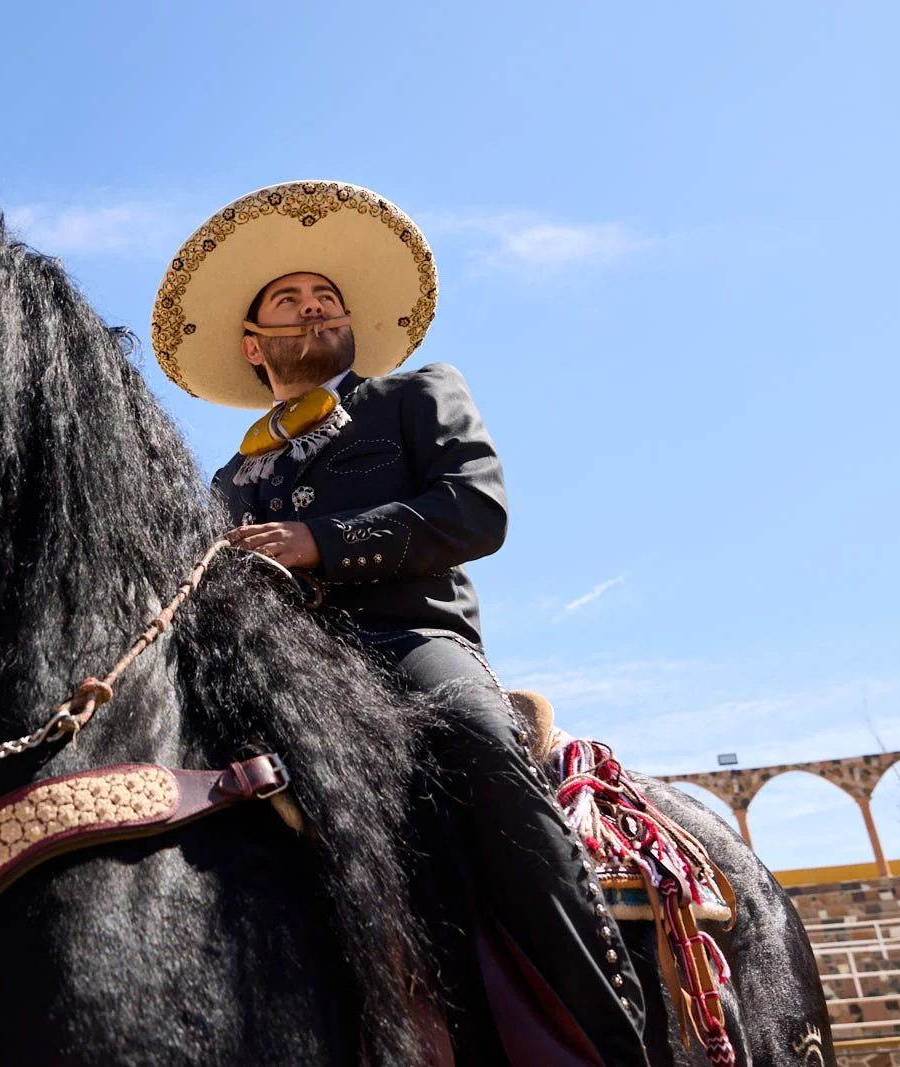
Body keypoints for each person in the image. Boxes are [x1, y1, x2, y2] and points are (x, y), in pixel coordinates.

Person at [151, 181, 650, 1066]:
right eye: (288, 302)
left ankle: (600, 1035)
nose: (312, 309)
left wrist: (319, 540)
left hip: (412, 645)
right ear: (252, 343)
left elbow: (475, 512)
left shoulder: (419, 394)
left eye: (326, 299)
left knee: (478, 739)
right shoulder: (227, 480)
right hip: (275, 679)